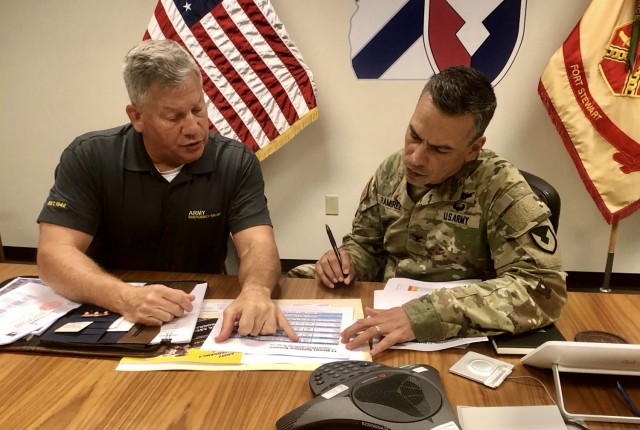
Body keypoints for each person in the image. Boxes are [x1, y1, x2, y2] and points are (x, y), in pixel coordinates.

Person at [289, 65, 566, 356]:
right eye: (414, 135)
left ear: (473, 149)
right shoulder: (391, 170)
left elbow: (543, 290)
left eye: (440, 150)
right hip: (383, 320)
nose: (415, 158)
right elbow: (366, 246)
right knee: (294, 288)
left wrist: (427, 315)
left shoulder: (500, 187)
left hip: (458, 338)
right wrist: (346, 262)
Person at [37, 39, 298, 343]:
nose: (194, 128)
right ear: (137, 117)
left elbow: (257, 245)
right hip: (110, 307)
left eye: (198, 109)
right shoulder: (89, 156)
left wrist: (256, 290)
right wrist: (125, 297)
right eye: (174, 117)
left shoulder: (235, 161)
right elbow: (54, 254)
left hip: (200, 311)